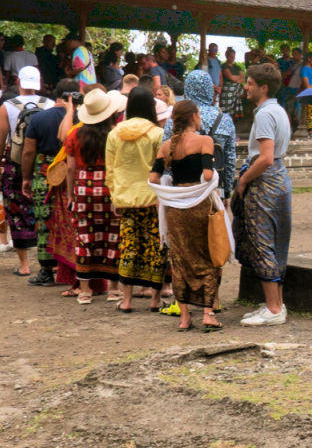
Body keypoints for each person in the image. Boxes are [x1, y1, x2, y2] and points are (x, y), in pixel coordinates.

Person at [150, 99, 223, 331]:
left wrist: (171, 187)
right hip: (200, 205)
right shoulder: (205, 141)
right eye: (199, 114)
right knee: (207, 256)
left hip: (175, 209)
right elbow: (208, 175)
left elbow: (153, 179)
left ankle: (184, 318)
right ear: (193, 117)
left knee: (180, 260)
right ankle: (208, 313)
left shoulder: (166, 146)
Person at [233, 63, 293, 326]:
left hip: (265, 182)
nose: (245, 87)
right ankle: (276, 303)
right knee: (275, 240)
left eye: (249, 83)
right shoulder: (278, 110)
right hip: (279, 178)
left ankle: (272, 308)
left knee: (263, 240)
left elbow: (266, 158)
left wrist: (243, 180)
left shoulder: (265, 115)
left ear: (263, 87)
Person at [106, 87, 166, 311]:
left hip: (126, 200)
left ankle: (127, 300)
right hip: (153, 199)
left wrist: (115, 197)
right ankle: (154, 300)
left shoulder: (114, 134)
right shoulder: (157, 134)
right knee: (155, 247)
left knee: (129, 246)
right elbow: (162, 169)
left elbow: (110, 170)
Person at [64, 88, 127, 303]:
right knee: (113, 237)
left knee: (84, 238)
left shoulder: (74, 134)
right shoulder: (116, 133)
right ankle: (114, 289)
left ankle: (84, 291)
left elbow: (70, 168)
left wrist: (70, 195)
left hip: (84, 188)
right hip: (111, 188)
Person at [20, 79, 79, 287]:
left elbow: (28, 152)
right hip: (75, 173)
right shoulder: (81, 118)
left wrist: (26, 178)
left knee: (44, 220)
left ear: (56, 95)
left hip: (46, 172)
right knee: (72, 219)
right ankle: (74, 267)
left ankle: (47, 270)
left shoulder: (38, 118)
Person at [1, 66, 54, 276]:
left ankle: (24, 265)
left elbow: (1, 137)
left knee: (16, 210)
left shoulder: (7, 107)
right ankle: (48, 262)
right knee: (46, 209)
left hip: (15, 163)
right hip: (43, 162)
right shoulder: (49, 104)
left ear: (19, 82)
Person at [163, 70, 238, 199]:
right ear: (209, 89)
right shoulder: (224, 119)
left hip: (183, 190)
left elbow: (166, 157)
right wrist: (227, 192)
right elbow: (229, 160)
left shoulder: (175, 119)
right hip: (213, 189)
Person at [219, 47, 246, 121]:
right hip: (227, 90)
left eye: (234, 57)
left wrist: (237, 80)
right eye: (231, 56)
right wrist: (238, 78)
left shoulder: (237, 66)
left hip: (236, 90)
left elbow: (243, 77)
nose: (233, 58)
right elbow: (230, 77)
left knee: (234, 109)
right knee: (226, 109)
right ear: (227, 56)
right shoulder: (224, 66)